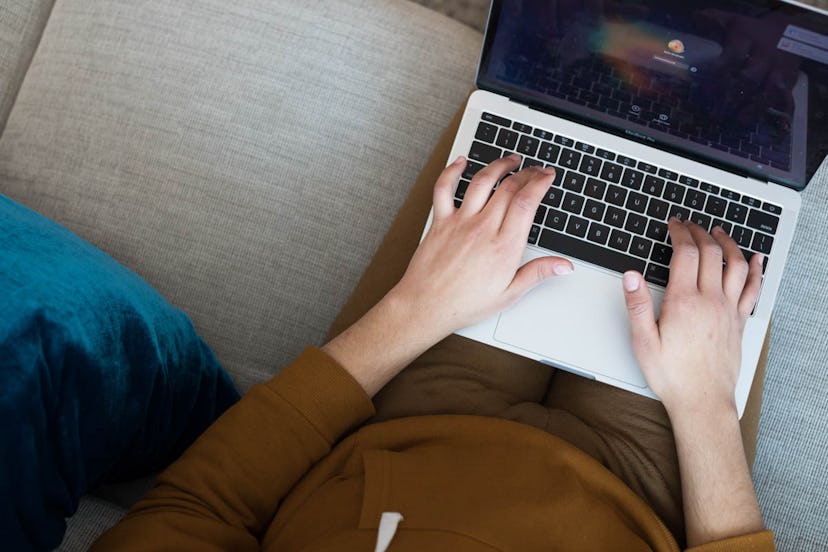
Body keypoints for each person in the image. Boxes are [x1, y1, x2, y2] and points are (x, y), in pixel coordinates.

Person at [91, 141, 773, 550]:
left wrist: (417, 308)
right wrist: (707, 406)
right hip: (648, 487)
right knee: (732, 173)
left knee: (537, 132)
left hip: (401, 417)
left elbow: (198, 508)